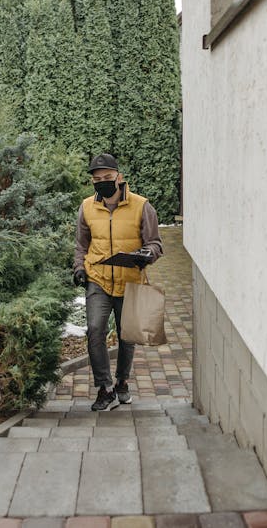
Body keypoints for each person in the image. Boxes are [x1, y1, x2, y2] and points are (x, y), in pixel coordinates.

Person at [73, 153, 163, 411]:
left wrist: (147, 255)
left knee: (127, 337)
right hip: (98, 279)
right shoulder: (87, 207)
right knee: (94, 331)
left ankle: (122, 382)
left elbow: (155, 243)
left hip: (130, 280)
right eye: (97, 179)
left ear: (119, 177)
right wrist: (79, 268)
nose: (102, 182)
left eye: (108, 178)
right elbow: (81, 244)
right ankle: (105, 388)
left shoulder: (141, 206)